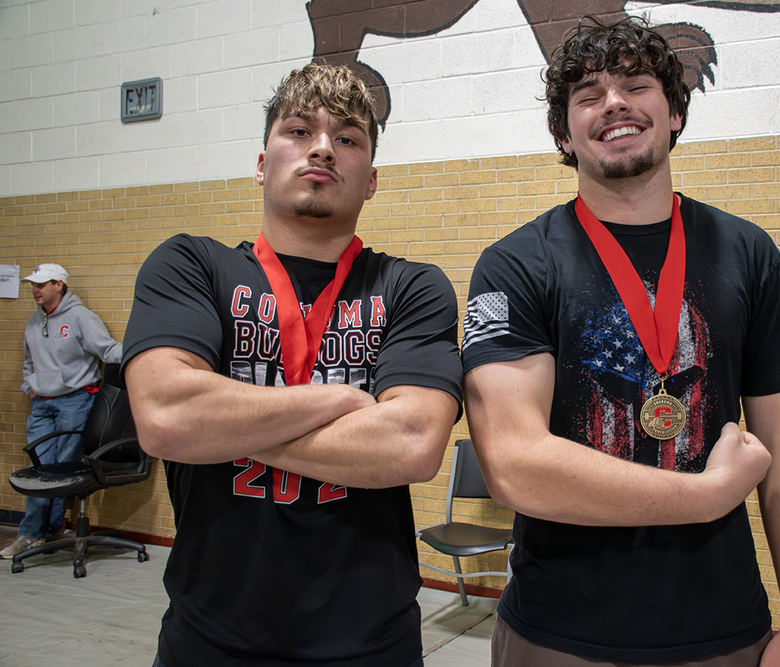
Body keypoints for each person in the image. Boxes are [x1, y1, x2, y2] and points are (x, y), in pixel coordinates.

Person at [462, 16, 780, 667]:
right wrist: (709, 495)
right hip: (557, 633)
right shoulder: (516, 265)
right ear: (562, 133)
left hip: (724, 627)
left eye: (636, 84)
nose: (614, 103)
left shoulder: (747, 253)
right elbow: (515, 460)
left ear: (675, 112)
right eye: (587, 95)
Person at [122, 64, 462, 667]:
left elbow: (411, 445)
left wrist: (223, 423)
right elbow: (165, 417)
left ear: (372, 180)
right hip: (210, 641)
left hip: (371, 644)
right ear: (261, 164)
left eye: (349, 138)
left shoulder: (412, 288)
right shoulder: (190, 267)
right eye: (299, 131)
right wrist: (340, 400)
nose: (324, 148)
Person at [1, 263, 123, 560]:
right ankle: (33, 533)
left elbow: (108, 351)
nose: (34, 290)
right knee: (38, 470)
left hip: (74, 401)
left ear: (59, 285)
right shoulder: (33, 321)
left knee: (60, 469)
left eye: (41, 285)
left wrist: (146, 351)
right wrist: (28, 386)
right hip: (40, 403)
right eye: (32, 285)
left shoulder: (81, 317)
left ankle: (46, 530)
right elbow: (29, 362)